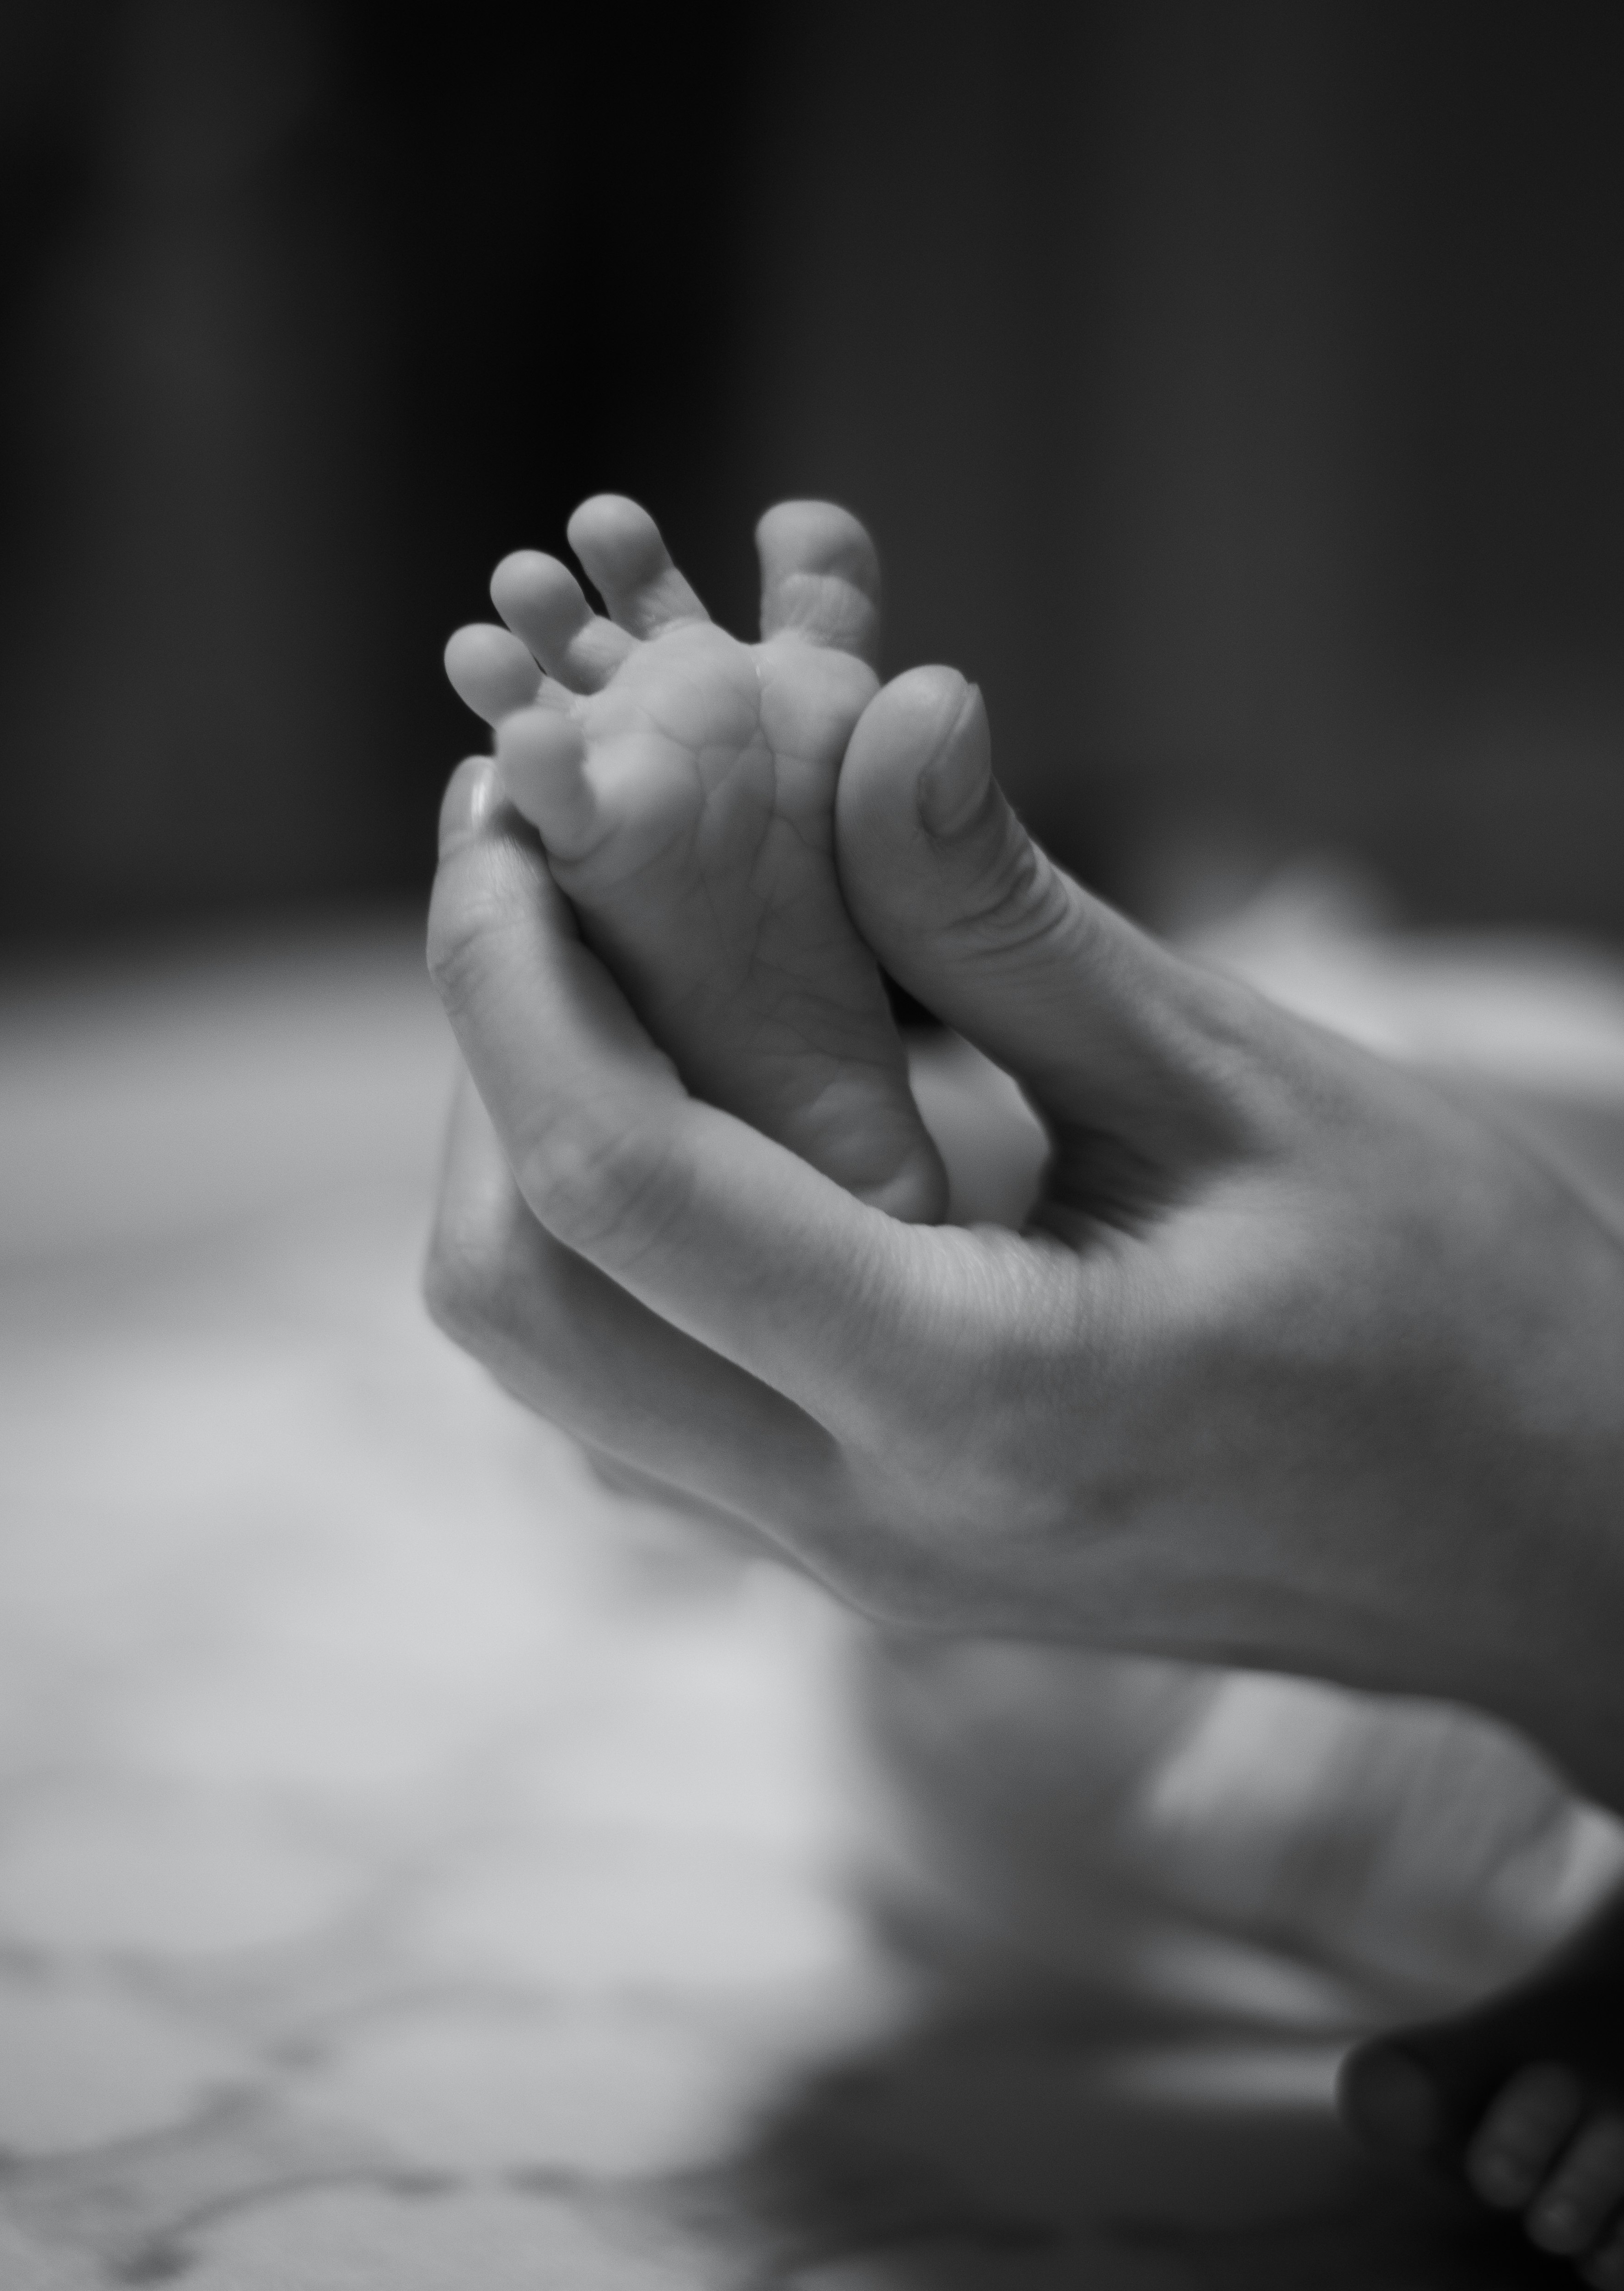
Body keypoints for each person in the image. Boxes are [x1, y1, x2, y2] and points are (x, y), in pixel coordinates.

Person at [430, 496, 1624, 2279]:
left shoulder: (1355, 971)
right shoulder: (1385, 971)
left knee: (935, 1667)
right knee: (923, 1565)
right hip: (1405, 1270)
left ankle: (862, 1230)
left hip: (1211, 1478)